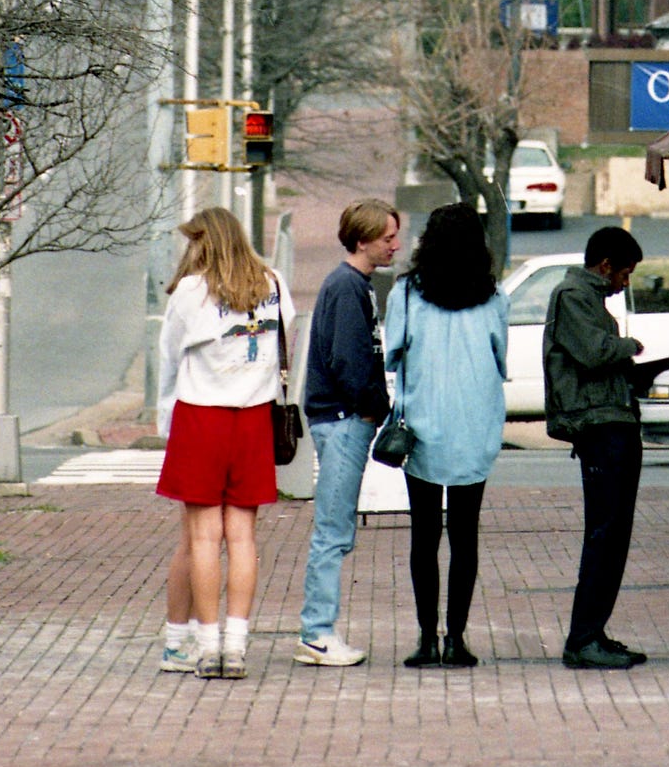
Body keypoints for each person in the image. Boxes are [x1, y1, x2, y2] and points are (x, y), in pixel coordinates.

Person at [155, 206, 293, 679]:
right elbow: (284, 337)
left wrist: (163, 416)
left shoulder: (194, 291)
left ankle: (205, 644)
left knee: (202, 537)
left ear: (204, 242)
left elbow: (170, 356)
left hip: (201, 415)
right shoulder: (272, 283)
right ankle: (236, 645)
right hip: (253, 417)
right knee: (243, 538)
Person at [383, 202, 509, 669]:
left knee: (423, 536)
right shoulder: (493, 297)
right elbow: (500, 358)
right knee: (464, 535)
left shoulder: (408, 295)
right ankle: (457, 638)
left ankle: (425, 638)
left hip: (422, 427)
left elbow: (393, 354)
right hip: (474, 427)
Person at [294, 199, 400, 668]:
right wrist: (372, 407)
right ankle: (316, 632)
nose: (395, 244)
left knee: (335, 528)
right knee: (333, 530)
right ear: (362, 240)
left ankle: (318, 630)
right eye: (387, 237)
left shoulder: (352, 285)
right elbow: (346, 360)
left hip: (341, 418)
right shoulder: (347, 287)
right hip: (341, 419)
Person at [543, 225, 650, 671]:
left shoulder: (589, 300)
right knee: (604, 534)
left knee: (614, 535)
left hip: (615, 423)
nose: (625, 284)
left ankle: (595, 631)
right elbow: (593, 352)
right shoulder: (573, 295)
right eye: (624, 274)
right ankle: (583, 637)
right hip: (600, 429)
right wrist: (630, 347)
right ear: (604, 266)